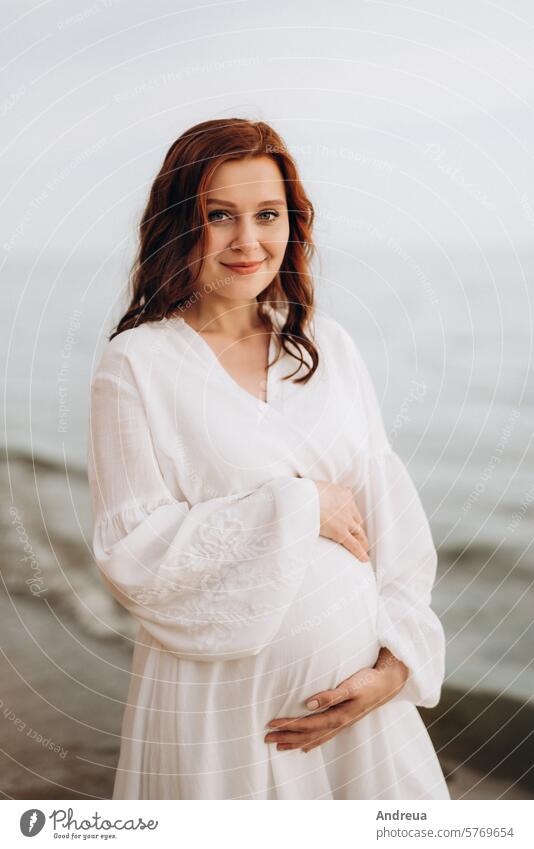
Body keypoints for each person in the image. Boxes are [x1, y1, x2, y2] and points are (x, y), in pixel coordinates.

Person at [87, 117, 449, 800]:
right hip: (217, 718)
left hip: (360, 721)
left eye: (267, 214)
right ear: (177, 225)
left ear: (294, 223)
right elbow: (130, 551)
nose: (247, 241)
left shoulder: (327, 346)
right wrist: (298, 504)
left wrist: (397, 665)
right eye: (219, 215)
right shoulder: (135, 365)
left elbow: (394, 521)